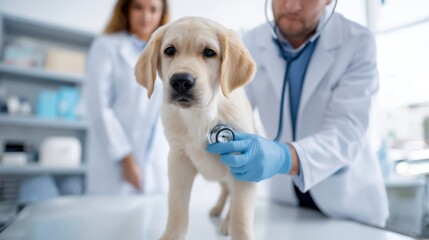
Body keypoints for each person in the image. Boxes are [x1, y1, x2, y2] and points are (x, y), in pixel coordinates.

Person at [207, 0, 389, 227]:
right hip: (286, 205)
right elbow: (230, 108)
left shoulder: (356, 41)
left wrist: (284, 157)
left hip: (347, 208)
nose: (292, 5)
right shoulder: (251, 43)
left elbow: (346, 131)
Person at [85, 0, 170, 195]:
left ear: (162, 13)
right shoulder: (106, 47)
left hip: (156, 164)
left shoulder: (166, 54)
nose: (146, 16)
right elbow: (98, 108)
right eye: (138, 7)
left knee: (154, 222)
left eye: (153, 9)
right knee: (111, 223)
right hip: (116, 164)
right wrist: (126, 159)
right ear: (126, 9)